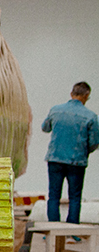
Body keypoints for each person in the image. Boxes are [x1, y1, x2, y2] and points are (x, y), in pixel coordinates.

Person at [41, 81, 99, 224]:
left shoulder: (55, 110)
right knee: (75, 196)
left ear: (71, 94)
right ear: (86, 95)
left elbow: (45, 128)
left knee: (53, 195)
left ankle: (52, 228)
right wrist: (84, 151)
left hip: (55, 159)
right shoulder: (91, 116)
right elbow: (94, 142)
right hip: (76, 161)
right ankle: (72, 230)